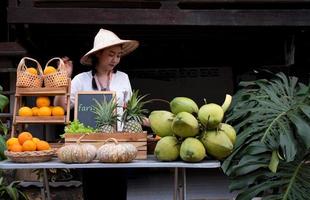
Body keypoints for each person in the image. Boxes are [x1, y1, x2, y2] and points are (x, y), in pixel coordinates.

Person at [54, 28, 140, 200]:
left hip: (117, 148)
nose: (115, 59)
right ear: (98, 54)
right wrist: (63, 79)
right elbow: (61, 107)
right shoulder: (80, 80)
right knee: (93, 193)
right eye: (111, 54)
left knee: (118, 193)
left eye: (118, 55)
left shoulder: (123, 78)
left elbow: (129, 110)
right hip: (89, 149)